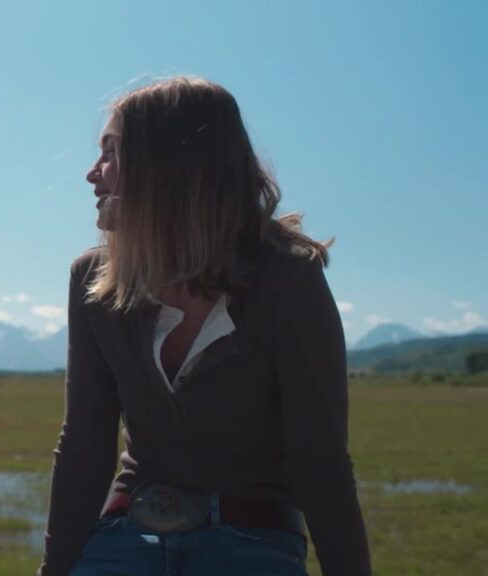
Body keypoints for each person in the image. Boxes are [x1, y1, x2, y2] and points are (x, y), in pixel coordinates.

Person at [39, 77, 371, 576]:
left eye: (111, 152)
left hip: (253, 542)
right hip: (126, 536)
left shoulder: (287, 279)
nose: (92, 173)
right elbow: (84, 444)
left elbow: (320, 461)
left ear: (168, 164)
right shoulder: (93, 280)